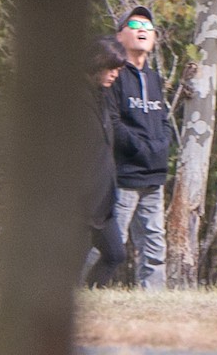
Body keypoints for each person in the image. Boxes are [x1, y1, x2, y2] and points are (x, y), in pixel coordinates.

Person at [109, 5, 172, 290]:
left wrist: (161, 146)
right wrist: (139, 148)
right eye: (134, 26)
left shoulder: (156, 79)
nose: (142, 30)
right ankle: (89, 293)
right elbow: (111, 122)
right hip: (122, 176)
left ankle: (154, 300)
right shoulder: (113, 75)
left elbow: (164, 119)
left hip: (154, 175)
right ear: (120, 36)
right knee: (110, 243)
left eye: (148, 26)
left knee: (155, 244)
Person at [83, 36, 128, 288]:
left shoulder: (103, 96)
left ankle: (90, 294)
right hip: (79, 202)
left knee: (115, 254)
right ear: (96, 64)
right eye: (111, 68)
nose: (114, 75)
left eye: (118, 70)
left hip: (103, 199)